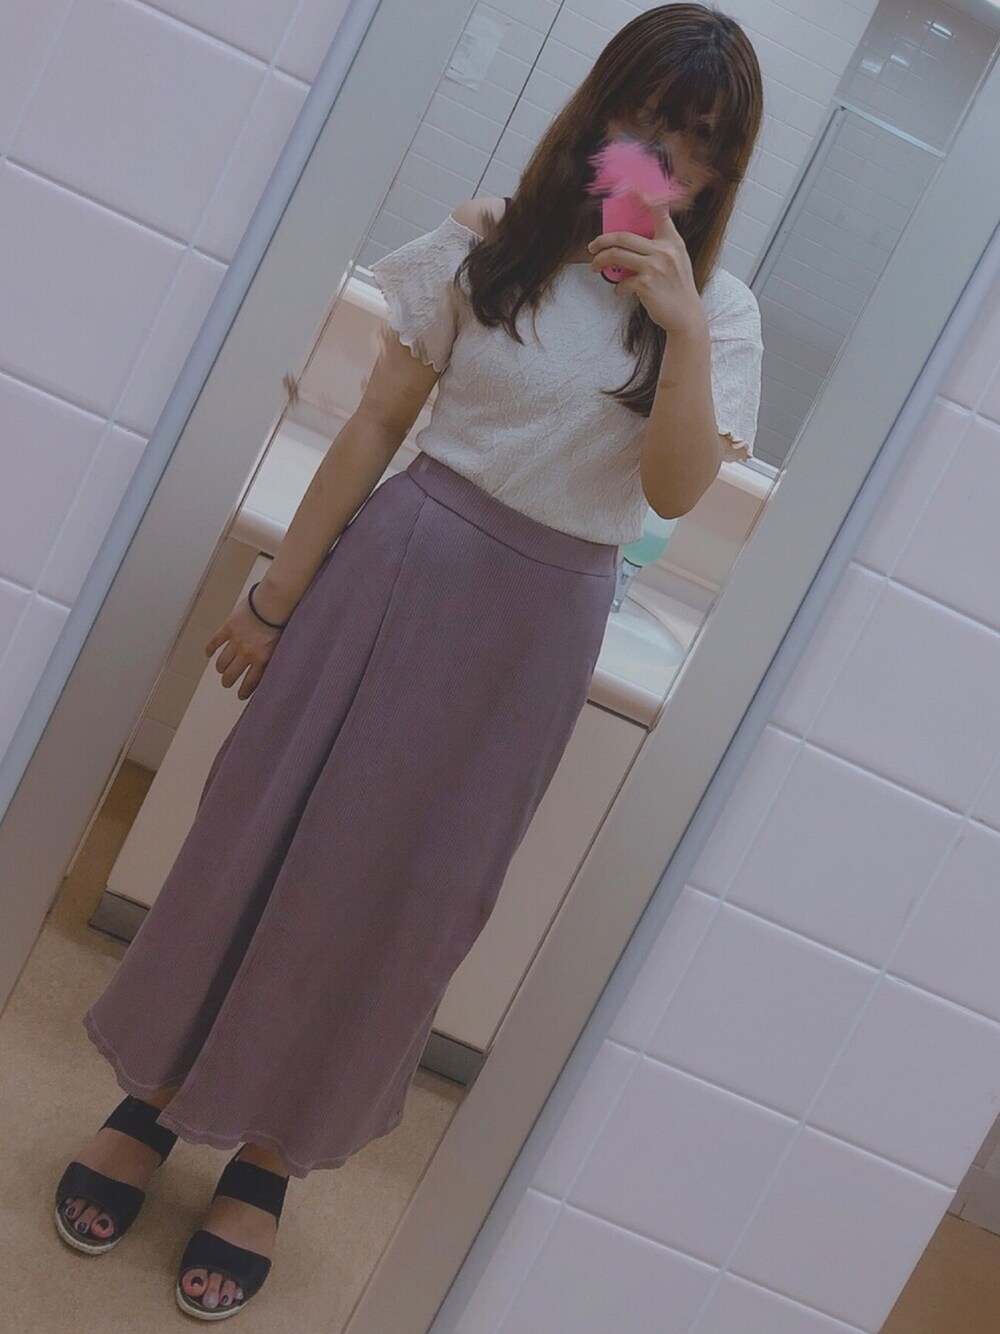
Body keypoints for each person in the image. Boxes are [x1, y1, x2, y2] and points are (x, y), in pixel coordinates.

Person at [54, 3, 764, 1319]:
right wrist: (273, 598)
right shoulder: (493, 241)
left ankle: (269, 1162)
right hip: (396, 568)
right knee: (259, 826)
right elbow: (379, 418)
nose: (662, 157)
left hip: (534, 631)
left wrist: (681, 327)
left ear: (724, 168)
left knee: (408, 899)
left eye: (698, 142)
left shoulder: (719, 315)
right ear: (600, 115)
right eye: (646, 120)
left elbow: (674, 488)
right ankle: (148, 1099)